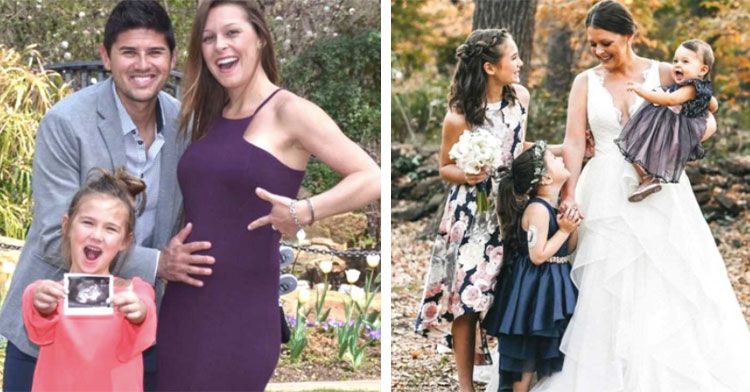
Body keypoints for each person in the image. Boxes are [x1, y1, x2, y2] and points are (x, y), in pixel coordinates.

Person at [154, 1, 381, 390]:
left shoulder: (289, 111)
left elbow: (371, 176)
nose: (219, 46)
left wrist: (304, 211)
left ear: (259, 37)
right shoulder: (206, 115)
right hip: (182, 307)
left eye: (232, 33)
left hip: (240, 314)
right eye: (208, 38)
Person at [533, 1, 750, 390]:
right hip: (601, 192)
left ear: (629, 35)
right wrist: (569, 195)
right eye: (592, 45)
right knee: (605, 282)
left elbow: (706, 114)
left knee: (666, 275)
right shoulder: (585, 81)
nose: (599, 51)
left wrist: (676, 144)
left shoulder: (665, 71)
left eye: (606, 42)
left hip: (659, 190)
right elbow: (572, 141)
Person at [0, 2, 212, 390]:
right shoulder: (66, 123)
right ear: (106, 57)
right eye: (129, 52)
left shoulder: (187, 126)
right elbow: (54, 236)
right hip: (51, 335)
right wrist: (158, 264)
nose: (142, 65)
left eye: (155, 53)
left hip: (131, 336)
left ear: (172, 58)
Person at [414, 28, 531, 392]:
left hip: (511, 208)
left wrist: (564, 150)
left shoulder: (521, 100)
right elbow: (444, 167)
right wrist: (467, 173)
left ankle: (511, 374)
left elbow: (519, 144)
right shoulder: (459, 116)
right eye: (513, 57)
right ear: (489, 67)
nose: (520, 63)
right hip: (471, 216)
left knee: (510, 291)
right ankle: (466, 386)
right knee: (466, 299)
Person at [22, 168, 156, 391]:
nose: (96, 235)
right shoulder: (46, 293)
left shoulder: (136, 291)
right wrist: (41, 305)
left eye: (110, 228)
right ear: (67, 226)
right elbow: (36, 311)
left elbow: (146, 311)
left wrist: (140, 313)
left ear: (125, 240)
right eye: (88, 223)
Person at [482, 142, 579, 392]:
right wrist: (565, 230)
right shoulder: (537, 209)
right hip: (533, 289)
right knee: (524, 359)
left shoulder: (553, 207)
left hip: (551, 283)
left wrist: (571, 228)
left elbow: (564, 250)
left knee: (538, 351)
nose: (561, 161)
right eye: (555, 160)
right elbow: (538, 255)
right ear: (546, 177)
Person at [615, 39, 718, 201]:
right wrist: (704, 108)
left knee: (637, 143)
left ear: (702, 70)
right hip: (678, 122)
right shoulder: (700, 88)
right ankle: (649, 177)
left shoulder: (691, 88)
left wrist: (641, 91)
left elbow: (669, 100)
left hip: (676, 125)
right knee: (642, 145)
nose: (677, 65)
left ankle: (649, 177)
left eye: (685, 61)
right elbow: (714, 105)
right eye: (675, 61)